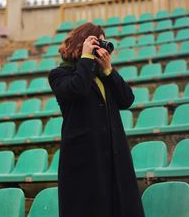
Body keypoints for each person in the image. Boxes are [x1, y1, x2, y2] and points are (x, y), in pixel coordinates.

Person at [48, 22, 145, 217]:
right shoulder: (60, 74)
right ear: (81, 43)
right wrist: (85, 58)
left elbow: (127, 100)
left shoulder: (104, 75)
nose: (100, 46)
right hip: (84, 160)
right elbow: (77, 89)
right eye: (96, 41)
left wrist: (108, 69)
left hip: (114, 157)